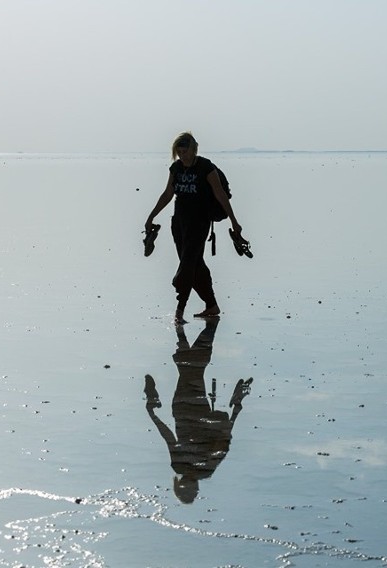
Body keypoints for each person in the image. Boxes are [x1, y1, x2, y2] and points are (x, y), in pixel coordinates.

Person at [143, 319, 253, 503]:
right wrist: (236, 409)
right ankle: (192, 331)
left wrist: (153, 415)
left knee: (191, 370)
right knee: (191, 369)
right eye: (192, 490)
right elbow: (224, 440)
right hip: (194, 411)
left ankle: (196, 330)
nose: (190, 485)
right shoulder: (206, 468)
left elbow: (169, 437)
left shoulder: (180, 465)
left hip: (185, 409)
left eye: (186, 488)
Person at [144, 132, 247, 323]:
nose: (183, 156)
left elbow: (220, 195)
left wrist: (234, 220)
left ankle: (179, 310)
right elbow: (168, 194)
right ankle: (211, 305)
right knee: (195, 264)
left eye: (186, 151)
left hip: (199, 223)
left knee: (187, 265)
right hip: (179, 223)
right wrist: (151, 216)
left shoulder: (205, 167)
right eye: (179, 152)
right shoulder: (176, 168)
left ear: (194, 150)